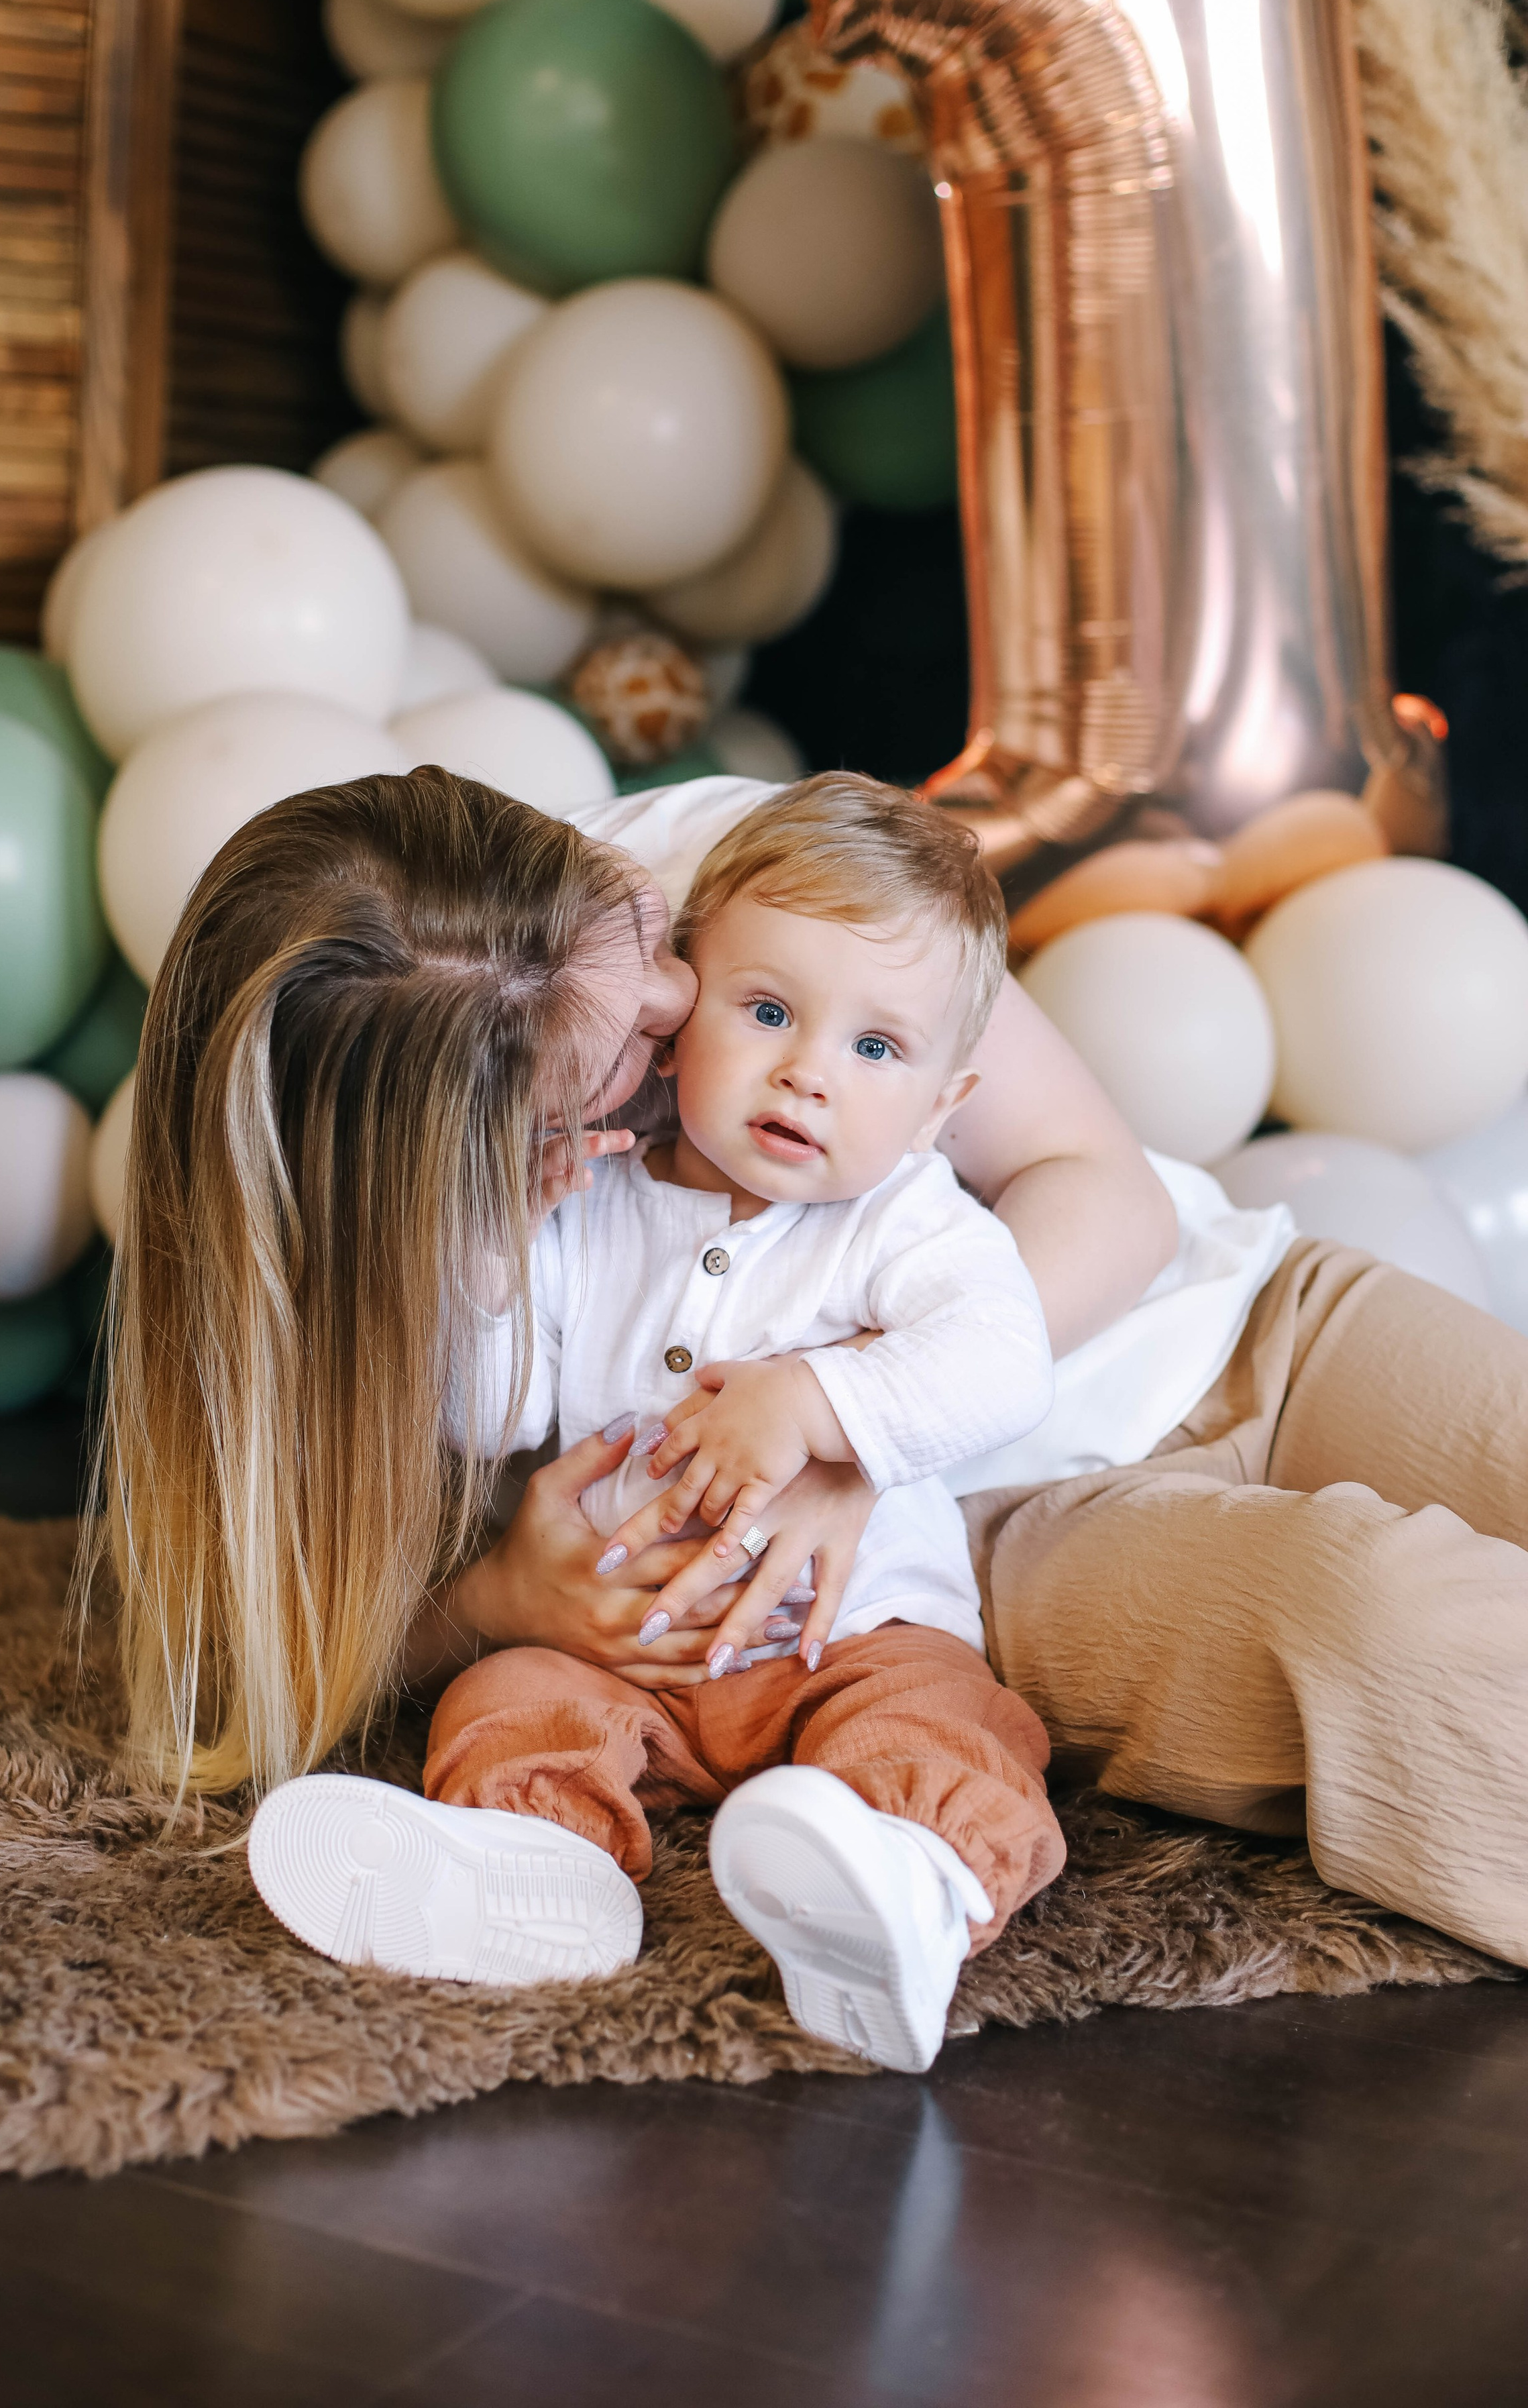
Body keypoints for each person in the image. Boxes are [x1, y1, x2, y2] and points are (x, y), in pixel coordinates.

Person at [94, 764, 1528, 1979]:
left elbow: (1102, 1186)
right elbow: (281, 1640)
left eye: (659, 952)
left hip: (1237, 1310)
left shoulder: (762, 875)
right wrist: (489, 1603)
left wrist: (846, 1423)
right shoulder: (451, 1240)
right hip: (997, 1530)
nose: (681, 1005)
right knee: (1392, 1626)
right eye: (623, 1066)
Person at [246, 776, 1066, 2072]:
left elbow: (1005, 1361)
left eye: (875, 1050)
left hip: (842, 1638)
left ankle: (909, 1887)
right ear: (682, 1021)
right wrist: (495, 1246)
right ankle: (534, 1871)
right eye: (770, 1012)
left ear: (940, 1108)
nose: (808, 1072)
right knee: (508, 1694)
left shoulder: (908, 1222)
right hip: (628, 1648)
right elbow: (491, 1410)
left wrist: (818, 1402)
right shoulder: (597, 1205)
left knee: (936, 1730)